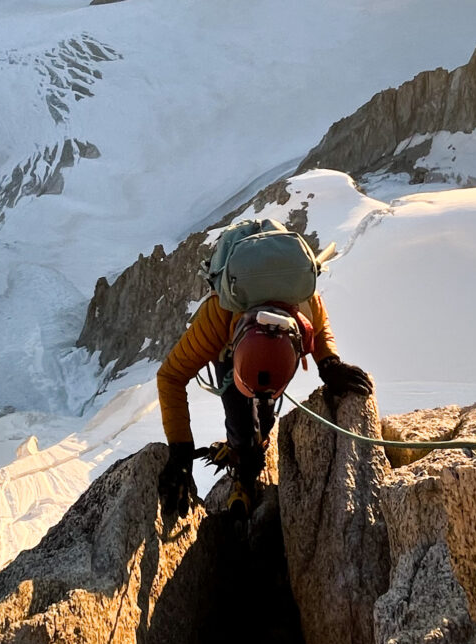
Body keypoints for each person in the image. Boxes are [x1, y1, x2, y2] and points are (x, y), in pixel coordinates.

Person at [155, 219, 373, 519]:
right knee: (238, 413)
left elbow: (320, 329)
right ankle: (242, 464)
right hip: (232, 352)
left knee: (262, 414)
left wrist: (329, 363)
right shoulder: (219, 314)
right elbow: (170, 377)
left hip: (255, 348)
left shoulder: (304, 301)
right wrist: (180, 453)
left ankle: (248, 458)